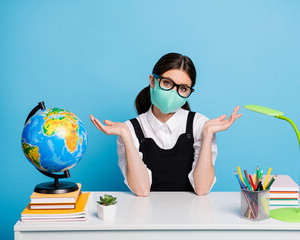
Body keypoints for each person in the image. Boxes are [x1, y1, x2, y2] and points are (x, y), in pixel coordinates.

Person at [90, 52, 242, 197]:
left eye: (183, 88)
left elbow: (202, 188)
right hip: (145, 218)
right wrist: (126, 136)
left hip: (192, 218)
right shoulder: (129, 129)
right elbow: (142, 190)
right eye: (167, 83)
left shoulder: (199, 124)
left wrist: (208, 134)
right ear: (152, 81)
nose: (173, 93)